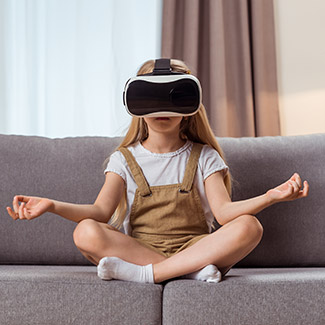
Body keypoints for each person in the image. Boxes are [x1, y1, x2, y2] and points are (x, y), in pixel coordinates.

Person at [6, 59, 309, 284]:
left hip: (198, 247)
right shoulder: (124, 159)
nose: (162, 109)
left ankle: (148, 275)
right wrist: (52, 206)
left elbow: (225, 214)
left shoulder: (204, 156)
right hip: (140, 248)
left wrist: (271, 196)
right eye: (152, 97)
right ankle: (188, 271)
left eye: (174, 96)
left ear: (190, 105)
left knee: (249, 227)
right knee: (85, 231)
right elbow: (99, 212)